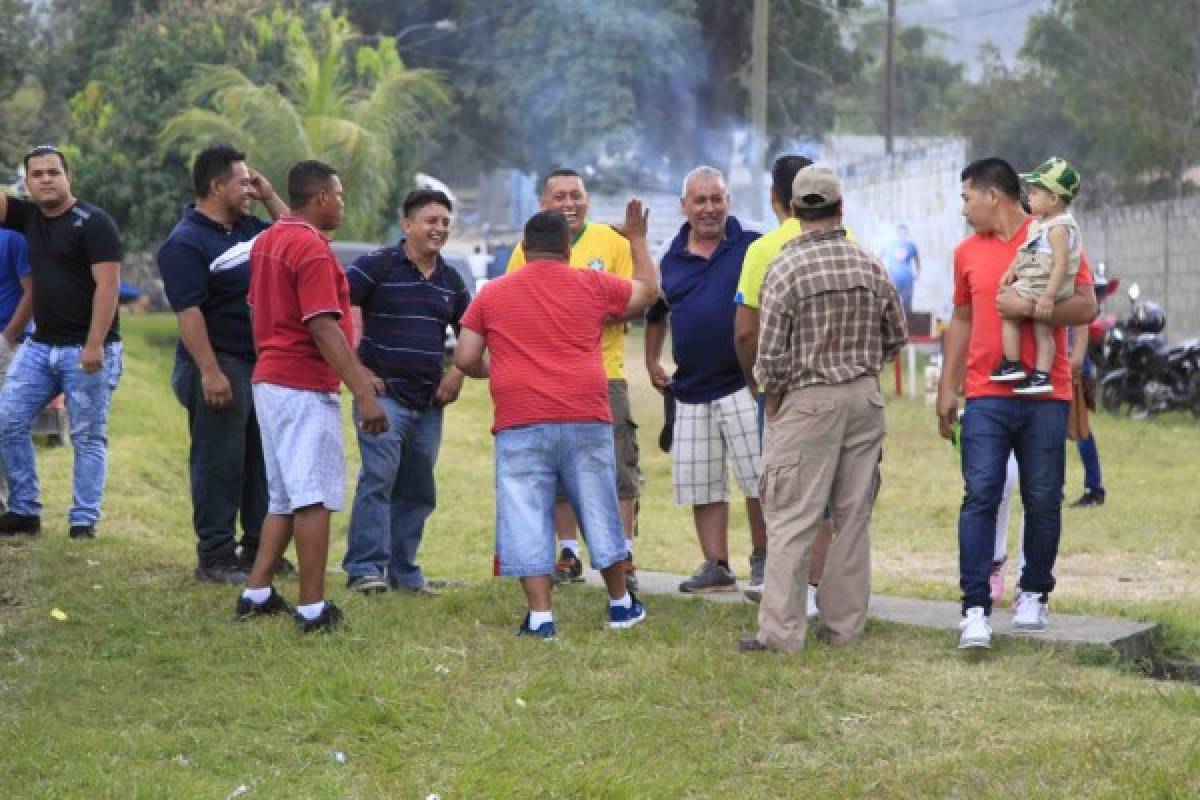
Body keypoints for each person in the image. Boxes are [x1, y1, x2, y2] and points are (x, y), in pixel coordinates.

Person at [455, 202, 658, 638]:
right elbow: (646, 292)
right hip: (585, 413)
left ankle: (542, 618)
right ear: (568, 248)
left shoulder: (492, 293)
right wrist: (637, 239)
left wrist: (499, 369)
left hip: (520, 418)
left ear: (525, 248)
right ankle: (621, 605)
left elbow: (466, 357)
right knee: (600, 507)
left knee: (526, 512)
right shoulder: (591, 283)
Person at [739, 165, 906, 653]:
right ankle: (845, 628)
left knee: (792, 517)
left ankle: (780, 634)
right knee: (853, 517)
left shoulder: (785, 267)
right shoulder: (869, 264)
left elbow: (768, 356)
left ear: (792, 210)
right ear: (840, 208)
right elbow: (894, 337)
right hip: (863, 397)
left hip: (807, 401)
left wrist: (773, 399)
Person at [937, 158, 1096, 650]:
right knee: (981, 494)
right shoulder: (965, 252)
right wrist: (948, 386)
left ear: (994, 196)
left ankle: (1034, 593)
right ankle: (975, 610)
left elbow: (1086, 307)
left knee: (1044, 496)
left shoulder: (1053, 234)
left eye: (967, 198)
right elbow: (961, 319)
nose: (964, 209)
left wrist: (1027, 307)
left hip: (1045, 395)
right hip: (985, 393)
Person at [235, 160, 388, 633]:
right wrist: (362, 390)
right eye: (339, 195)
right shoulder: (313, 251)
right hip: (302, 384)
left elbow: (286, 229)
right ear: (322, 198)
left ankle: (257, 593)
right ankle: (313, 609)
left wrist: (268, 199)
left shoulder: (271, 241)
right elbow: (323, 324)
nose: (342, 202)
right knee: (313, 499)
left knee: (283, 496)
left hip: (270, 380)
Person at [156, 143, 290, 584]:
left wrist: (270, 197)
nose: (250, 189)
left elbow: (296, 235)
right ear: (216, 186)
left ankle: (257, 549)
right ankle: (214, 556)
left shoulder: (250, 226)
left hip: (258, 364)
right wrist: (210, 372)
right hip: (217, 363)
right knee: (220, 462)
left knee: (259, 460)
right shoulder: (186, 242)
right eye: (243, 181)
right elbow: (189, 313)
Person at [506, 168, 640, 588]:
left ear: (588, 200)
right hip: (544, 376)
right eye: (559, 196)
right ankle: (568, 551)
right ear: (543, 204)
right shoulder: (523, 249)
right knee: (560, 470)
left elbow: (633, 300)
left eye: (576, 195)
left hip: (605, 374)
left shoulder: (614, 242)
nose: (569, 203)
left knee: (618, 466)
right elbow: (518, 302)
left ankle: (625, 556)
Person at [645, 166, 767, 593]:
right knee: (703, 482)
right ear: (684, 207)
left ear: (727, 202)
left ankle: (763, 561)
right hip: (691, 388)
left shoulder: (753, 242)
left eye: (717, 199)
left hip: (745, 383)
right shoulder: (667, 255)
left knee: (758, 479)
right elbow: (656, 311)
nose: (710, 209)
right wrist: (650, 360)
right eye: (700, 201)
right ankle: (716, 564)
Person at [342, 189, 470, 594]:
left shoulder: (451, 280)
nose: (440, 229)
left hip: (429, 402)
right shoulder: (376, 266)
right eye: (431, 221)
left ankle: (402, 571)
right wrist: (358, 372)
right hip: (382, 397)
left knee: (417, 487)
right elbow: (329, 315)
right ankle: (365, 568)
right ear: (407, 224)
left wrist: (457, 375)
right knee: (378, 479)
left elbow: (472, 334)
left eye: (445, 223)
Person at [0, 145, 123, 540]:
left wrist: (94, 344)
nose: (46, 180)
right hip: (40, 346)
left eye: (53, 172)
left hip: (86, 347)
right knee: (7, 421)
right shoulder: (29, 218)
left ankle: (83, 521)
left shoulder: (94, 222)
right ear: (28, 182)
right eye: (37, 174)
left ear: (67, 176)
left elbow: (109, 286)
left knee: (87, 435)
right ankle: (24, 510)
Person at [734, 154, 836, 614]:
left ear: (778, 198)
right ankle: (819, 590)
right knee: (829, 497)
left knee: (783, 494)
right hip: (838, 387)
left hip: (782, 391)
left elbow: (744, 331)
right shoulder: (848, 242)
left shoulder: (762, 250)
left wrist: (758, 385)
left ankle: (786, 593)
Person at [990, 158, 1084, 396]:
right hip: (1041, 284)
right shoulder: (1042, 224)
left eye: (1034, 193)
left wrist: (1048, 297)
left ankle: (1012, 362)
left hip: (1044, 286)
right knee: (1043, 330)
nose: (1028, 196)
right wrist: (1012, 268)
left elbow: (1061, 264)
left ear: (1053, 199)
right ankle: (1042, 376)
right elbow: (1025, 251)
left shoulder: (1058, 229)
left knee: (1007, 308)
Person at [0, 226, 32, 509]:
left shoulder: (13, 239)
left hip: (5, 342)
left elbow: (32, 291)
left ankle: (9, 499)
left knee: (6, 423)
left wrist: (9, 335)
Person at [881, 223, 921, 315]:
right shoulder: (890, 244)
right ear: (897, 232)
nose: (902, 234)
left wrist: (918, 272)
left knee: (907, 299)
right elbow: (880, 257)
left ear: (906, 233)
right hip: (893, 276)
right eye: (900, 232)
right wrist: (883, 273)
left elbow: (917, 260)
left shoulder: (911, 245)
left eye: (904, 232)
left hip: (907, 277)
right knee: (892, 298)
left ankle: (907, 322)